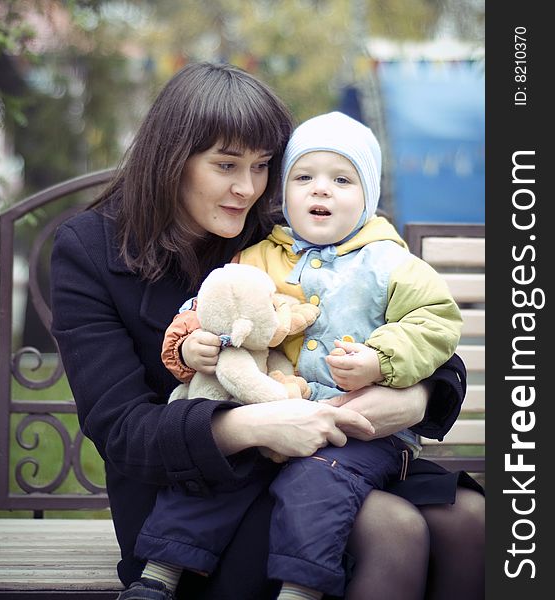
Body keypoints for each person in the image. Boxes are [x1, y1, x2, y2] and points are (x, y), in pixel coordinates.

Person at [49, 62, 484, 600]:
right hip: (196, 492)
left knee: (470, 519)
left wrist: (415, 397)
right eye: (226, 165)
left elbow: (421, 328)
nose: (247, 187)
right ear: (171, 160)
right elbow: (120, 429)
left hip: (329, 447)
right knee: (391, 530)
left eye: (261, 166)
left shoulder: (277, 225)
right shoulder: (91, 251)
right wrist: (254, 426)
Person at [138, 111, 465, 600]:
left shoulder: (389, 261)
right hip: (268, 408)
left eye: (341, 179)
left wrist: (381, 360)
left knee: (319, 484)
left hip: (352, 425)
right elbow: (213, 303)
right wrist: (190, 343)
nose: (321, 190)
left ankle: (301, 588)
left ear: (368, 196)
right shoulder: (260, 255)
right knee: (220, 471)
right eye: (303, 177)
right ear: (284, 192)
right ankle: (160, 574)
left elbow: (436, 321)